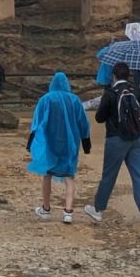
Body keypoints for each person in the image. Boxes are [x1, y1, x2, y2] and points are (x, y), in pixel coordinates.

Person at [83, 63, 140, 223]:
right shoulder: (135, 90)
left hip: (116, 138)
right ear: (128, 75)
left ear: (113, 76)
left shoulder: (110, 93)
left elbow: (99, 118)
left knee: (109, 175)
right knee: (138, 174)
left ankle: (98, 209)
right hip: (138, 137)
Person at [26, 71, 92, 224]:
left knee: (47, 174)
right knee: (69, 176)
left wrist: (30, 143)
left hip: (50, 142)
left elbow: (36, 122)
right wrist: (86, 143)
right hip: (70, 144)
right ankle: (68, 211)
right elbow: (84, 123)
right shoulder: (74, 100)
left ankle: (46, 208)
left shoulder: (45, 100)